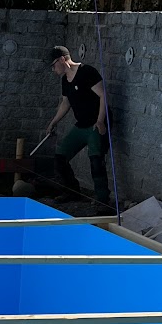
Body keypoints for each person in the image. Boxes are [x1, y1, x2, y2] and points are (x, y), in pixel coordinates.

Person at [44, 45, 110, 207]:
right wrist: (53, 122)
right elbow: (65, 103)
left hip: (96, 124)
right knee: (60, 157)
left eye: (53, 65)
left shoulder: (87, 72)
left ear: (62, 60)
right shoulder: (65, 80)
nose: (53, 69)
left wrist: (101, 121)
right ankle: (72, 191)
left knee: (96, 161)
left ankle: (102, 201)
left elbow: (103, 95)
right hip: (81, 125)